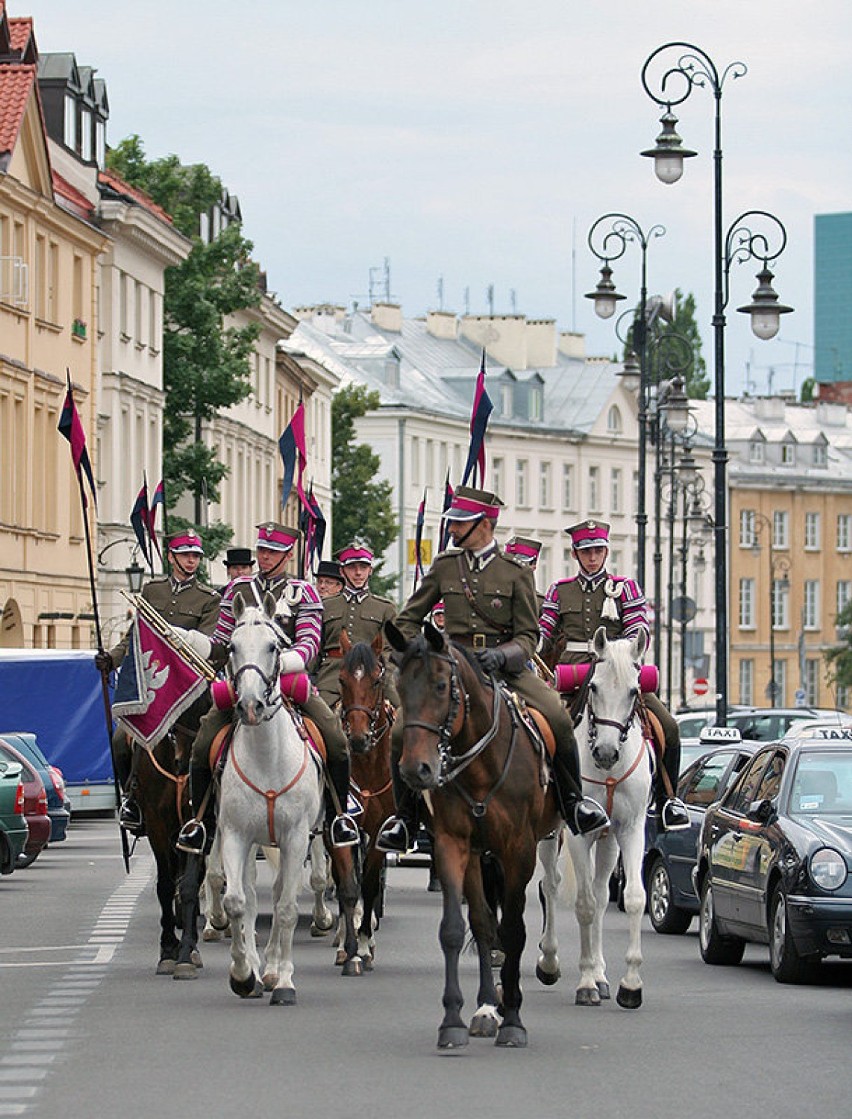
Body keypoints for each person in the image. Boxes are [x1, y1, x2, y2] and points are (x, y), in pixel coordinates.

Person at [376, 486, 609, 853]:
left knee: (558, 719)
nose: (451, 530)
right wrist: (403, 655)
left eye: (460, 524)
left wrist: (503, 656)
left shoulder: (514, 572)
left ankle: (573, 803)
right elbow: (409, 618)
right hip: (451, 670)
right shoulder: (445, 566)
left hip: (505, 670)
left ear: (484, 525)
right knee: (402, 730)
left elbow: (529, 636)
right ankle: (405, 820)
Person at [175, 522, 358, 853]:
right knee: (202, 743)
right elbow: (220, 641)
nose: (265, 557)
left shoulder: (304, 592)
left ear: (287, 555)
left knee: (336, 739)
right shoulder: (237, 591)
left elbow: (308, 644)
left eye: (272, 552)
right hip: (243, 680)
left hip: (286, 680)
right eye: (262, 550)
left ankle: (337, 817)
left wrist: (275, 668)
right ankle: (201, 822)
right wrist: (191, 641)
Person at [538, 519, 689, 831]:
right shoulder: (559, 591)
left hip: (618, 673)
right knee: (545, 726)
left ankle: (668, 801)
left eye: (598, 551)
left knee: (669, 727)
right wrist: (531, 642)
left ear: (606, 552)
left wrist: (625, 653)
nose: (592, 558)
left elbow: (638, 628)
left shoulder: (625, 588)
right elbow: (544, 632)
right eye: (586, 552)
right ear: (575, 554)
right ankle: (549, 794)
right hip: (574, 672)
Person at [94, 532, 221, 835]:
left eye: (196, 556)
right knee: (120, 742)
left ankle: (216, 801)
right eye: (186, 554)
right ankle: (132, 800)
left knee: (216, 740)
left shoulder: (208, 598)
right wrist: (111, 659)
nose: (192, 560)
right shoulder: (152, 592)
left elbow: (207, 643)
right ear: (171, 557)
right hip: (152, 688)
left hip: (189, 689)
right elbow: (134, 638)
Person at [313, 541, 399, 710]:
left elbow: (390, 652)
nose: (358, 573)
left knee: (402, 725)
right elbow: (316, 648)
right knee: (314, 721)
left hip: (371, 679)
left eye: (363, 567)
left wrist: (386, 682)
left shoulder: (385, 608)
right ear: (342, 571)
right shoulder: (325, 606)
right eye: (352, 567)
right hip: (332, 679)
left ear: (370, 570)